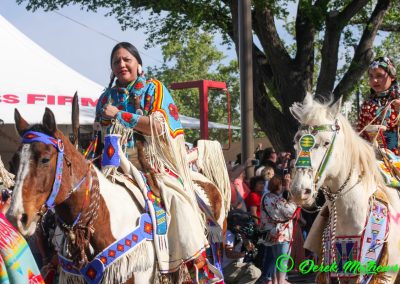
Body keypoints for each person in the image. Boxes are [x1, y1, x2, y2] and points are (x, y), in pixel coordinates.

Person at [95, 42, 220, 281]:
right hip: (113, 164)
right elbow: (99, 135)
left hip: (152, 164)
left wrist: (120, 115)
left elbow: (159, 126)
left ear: (138, 64)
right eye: (116, 61)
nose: (121, 64)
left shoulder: (154, 88)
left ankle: (194, 266)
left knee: (177, 200)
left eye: (126, 59)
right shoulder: (106, 98)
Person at [357, 56, 400, 155]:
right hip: (373, 159)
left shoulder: (397, 100)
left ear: (392, 77)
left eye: (379, 76)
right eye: (371, 76)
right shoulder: (367, 105)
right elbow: (360, 135)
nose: (374, 80)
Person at [259, 176, 298, 284]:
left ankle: (276, 281)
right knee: (283, 261)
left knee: (276, 260)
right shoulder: (278, 200)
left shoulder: (265, 197)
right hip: (281, 234)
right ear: (279, 186)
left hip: (270, 233)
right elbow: (291, 212)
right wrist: (290, 192)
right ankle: (281, 281)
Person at [223, 210, 261, 284]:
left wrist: (247, 242)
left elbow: (247, 247)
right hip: (226, 268)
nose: (245, 225)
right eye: (243, 223)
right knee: (254, 272)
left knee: (254, 269)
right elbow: (229, 254)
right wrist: (245, 254)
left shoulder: (240, 234)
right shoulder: (229, 234)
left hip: (234, 266)